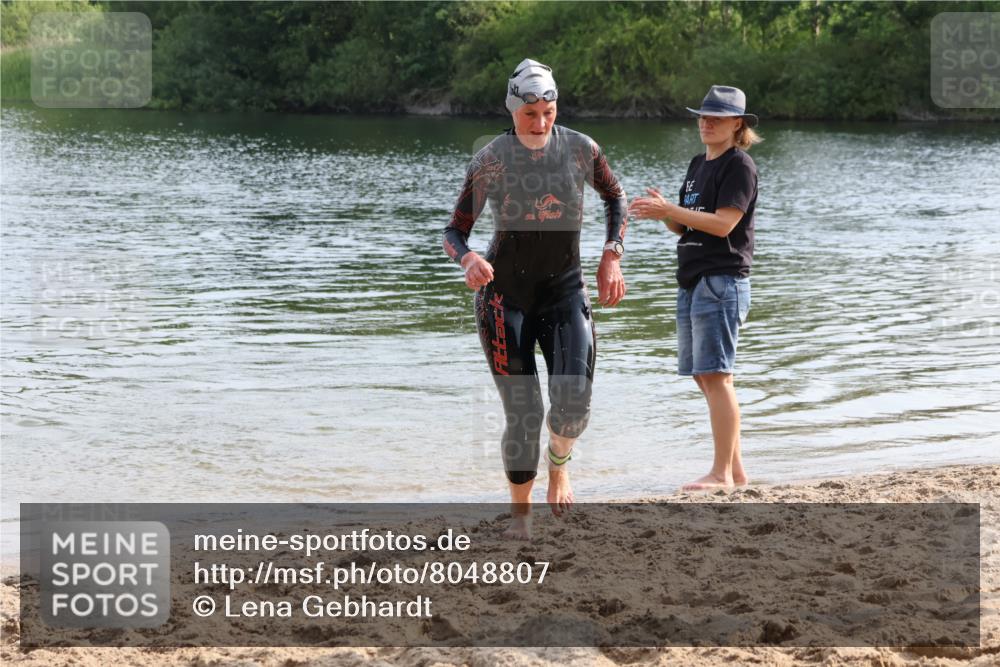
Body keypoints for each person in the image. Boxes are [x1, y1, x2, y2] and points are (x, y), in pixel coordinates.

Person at [443, 59, 627, 538]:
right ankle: (521, 514)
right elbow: (454, 231)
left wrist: (612, 254)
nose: (541, 123)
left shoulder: (581, 149)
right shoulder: (491, 160)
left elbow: (616, 197)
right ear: (513, 111)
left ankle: (559, 464)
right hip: (505, 298)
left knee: (574, 404)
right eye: (530, 115)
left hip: (564, 290)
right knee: (523, 413)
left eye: (548, 112)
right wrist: (467, 260)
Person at [629, 85, 761, 491]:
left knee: (716, 375)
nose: (706, 123)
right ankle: (736, 473)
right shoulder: (698, 163)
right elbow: (686, 223)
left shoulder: (739, 166)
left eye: (716, 118)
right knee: (704, 376)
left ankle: (721, 473)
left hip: (722, 279)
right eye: (703, 116)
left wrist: (672, 210)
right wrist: (664, 214)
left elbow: (724, 224)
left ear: (737, 124)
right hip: (692, 279)